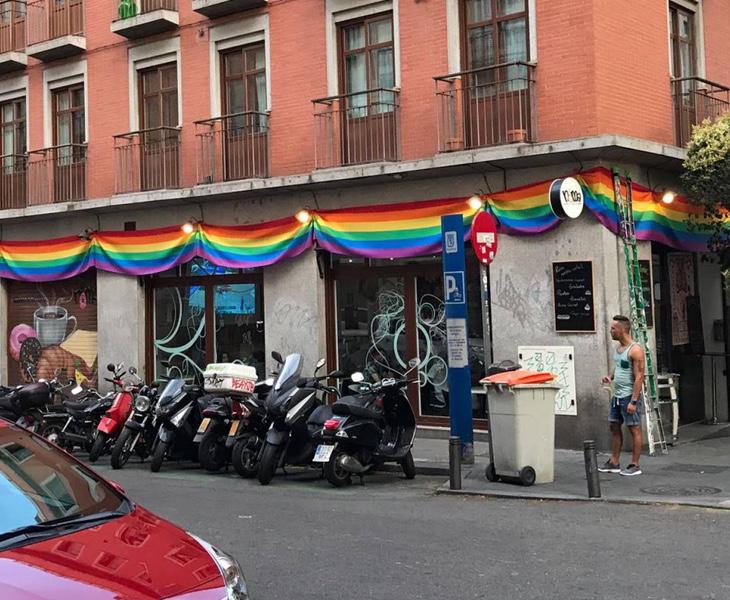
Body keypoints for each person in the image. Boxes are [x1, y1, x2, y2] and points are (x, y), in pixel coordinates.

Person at [598, 315, 645, 476]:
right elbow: (619, 366)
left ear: (623, 330)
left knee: (634, 428)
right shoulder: (619, 349)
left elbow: (639, 376)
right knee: (614, 426)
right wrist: (610, 377)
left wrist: (633, 400)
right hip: (616, 396)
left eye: (613, 328)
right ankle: (614, 462)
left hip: (628, 396)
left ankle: (634, 464)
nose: (610, 331)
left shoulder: (635, 350)